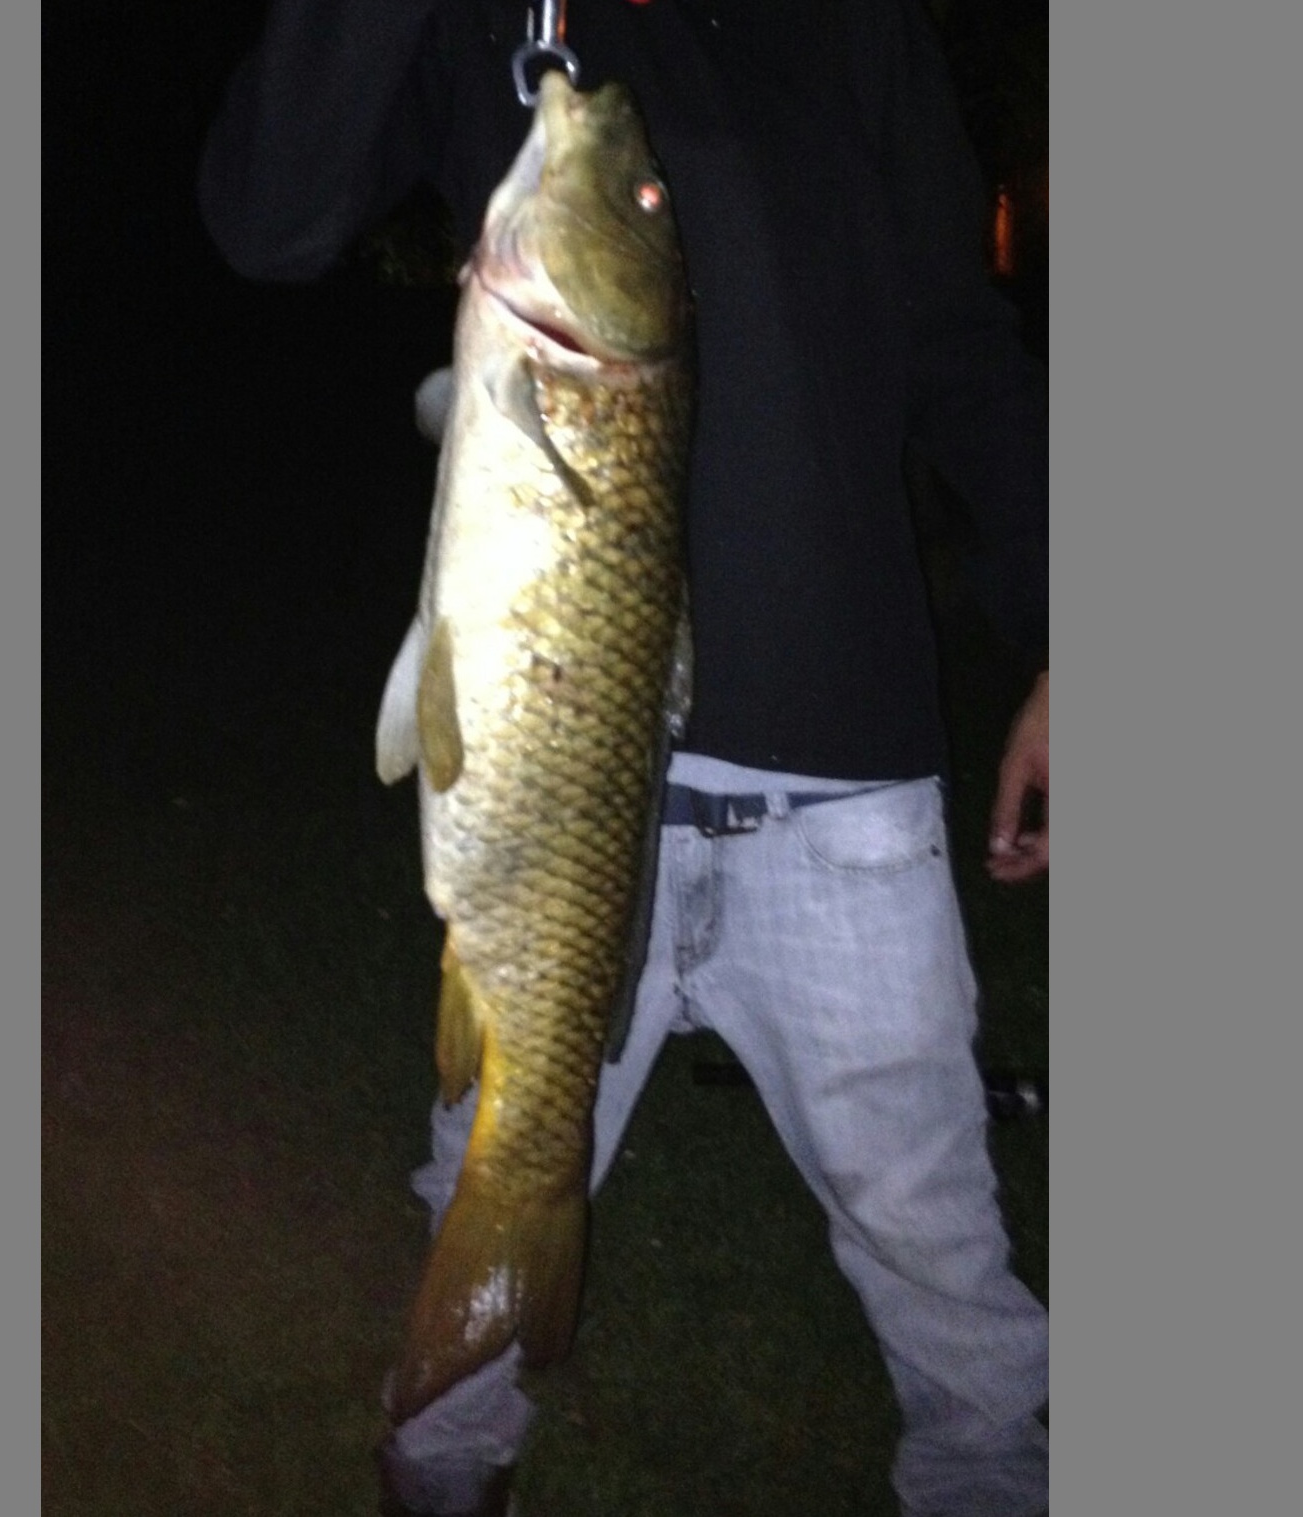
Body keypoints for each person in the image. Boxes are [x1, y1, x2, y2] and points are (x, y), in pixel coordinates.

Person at [198, 3, 1048, 1514]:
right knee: (483, 1173)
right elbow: (268, 217)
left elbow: (964, 348)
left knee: (938, 1245)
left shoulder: (860, 33)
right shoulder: (501, 31)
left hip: (845, 780)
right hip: (551, 799)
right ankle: (443, 1466)